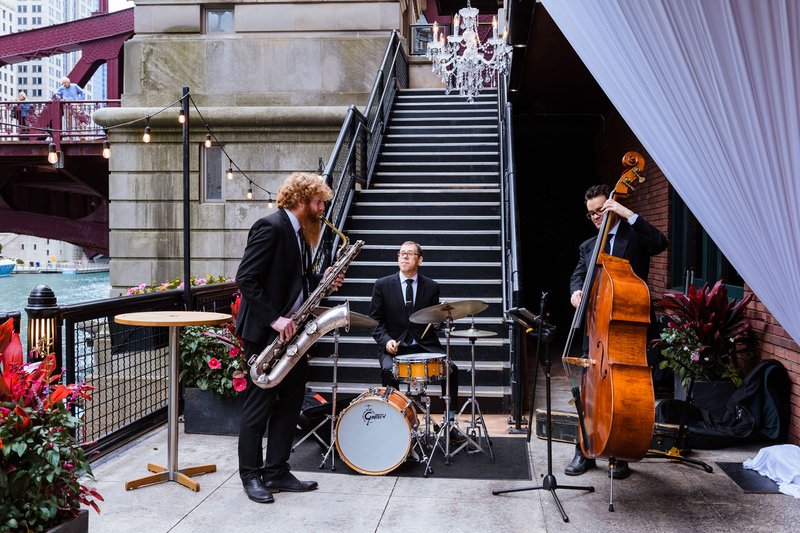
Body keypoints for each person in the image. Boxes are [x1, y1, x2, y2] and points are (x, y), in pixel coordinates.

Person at [235, 172, 343, 504]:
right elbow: (246, 278)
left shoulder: (299, 233)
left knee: (291, 404)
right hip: (268, 335)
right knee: (259, 408)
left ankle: (277, 471)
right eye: (318, 202)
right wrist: (275, 319)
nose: (322, 208)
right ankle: (251, 475)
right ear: (301, 200)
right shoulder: (271, 226)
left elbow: (293, 280)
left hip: (292, 335)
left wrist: (321, 279)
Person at [565, 184, 668, 479]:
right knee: (588, 392)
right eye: (591, 214)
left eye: (600, 210)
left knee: (620, 395)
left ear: (611, 206)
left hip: (625, 332)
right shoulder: (589, 245)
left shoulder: (634, 236)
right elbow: (579, 273)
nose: (596, 217)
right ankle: (583, 451)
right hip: (596, 330)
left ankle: (618, 452)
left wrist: (626, 213)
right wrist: (575, 291)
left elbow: (660, 243)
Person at [368, 241, 463, 443]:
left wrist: (440, 320)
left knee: (451, 369)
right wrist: (386, 341)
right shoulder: (382, 285)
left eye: (409, 254)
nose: (404, 257)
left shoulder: (431, 287)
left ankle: (450, 424)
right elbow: (375, 322)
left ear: (420, 260)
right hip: (395, 346)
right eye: (401, 253)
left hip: (424, 344)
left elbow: (433, 322)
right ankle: (394, 422)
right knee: (387, 370)